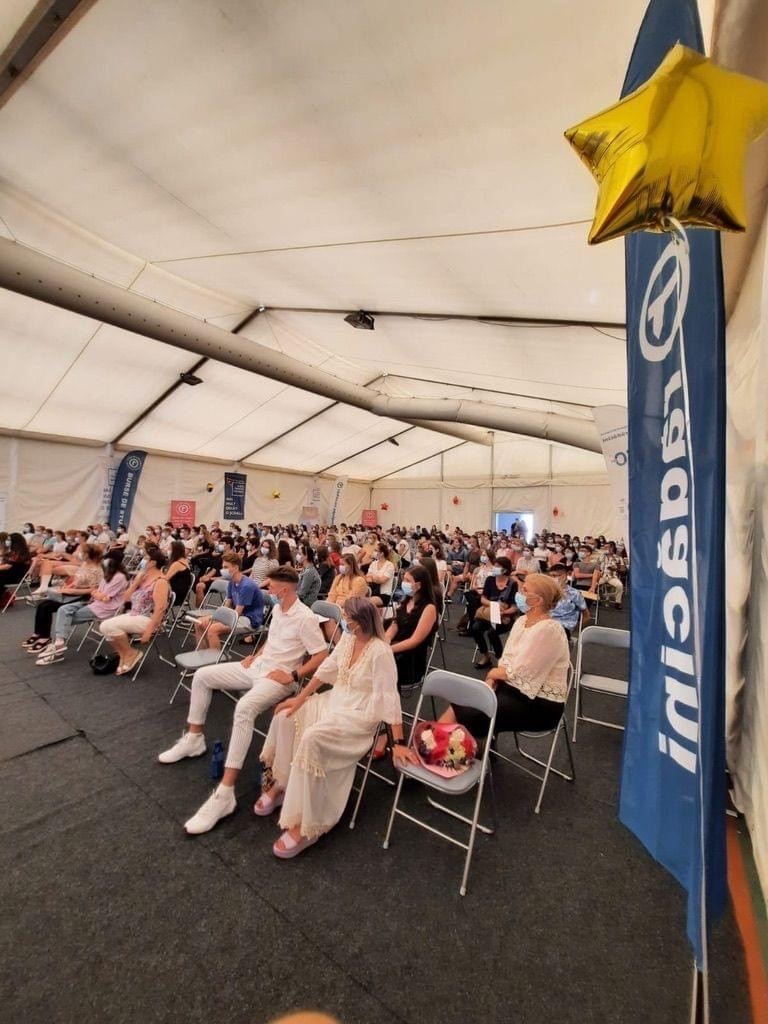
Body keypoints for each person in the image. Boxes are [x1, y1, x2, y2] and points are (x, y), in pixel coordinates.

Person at [158, 566, 328, 836]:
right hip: (258, 667)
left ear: (284, 589)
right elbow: (272, 640)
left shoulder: (305, 617)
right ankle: (194, 738)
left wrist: (293, 675)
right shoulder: (279, 609)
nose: (268, 589)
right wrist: (256, 655)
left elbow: (321, 654)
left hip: (279, 678)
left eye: (272, 586)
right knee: (202, 676)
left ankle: (226, 793)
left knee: (244, 708)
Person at [256, 597, 404, 858]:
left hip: (359, 715)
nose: (342, 621)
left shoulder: (381, 652)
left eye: (346, 617)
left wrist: (399, 744)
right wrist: (299, 699)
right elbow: (325, 670)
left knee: (312, 738)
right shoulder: (347, 639)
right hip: (334, 701)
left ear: (359, 622)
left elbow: (389, 698)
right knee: (286, 717)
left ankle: (309, 823)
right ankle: (282, 783)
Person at [443, 573, 570, 737]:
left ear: (537, 601)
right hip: (513, 689)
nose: (519, 593)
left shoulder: (550, 630)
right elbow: (507, 661)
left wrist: (494, 674)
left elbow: (522, 673)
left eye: (524, 590)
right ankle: (438, 746)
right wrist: (492, 679)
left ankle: (439, 746)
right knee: (463, 701)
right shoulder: (522, 621)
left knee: (468, 711)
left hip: (539, 704)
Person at [33, 555, 129, 665]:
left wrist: (96, 593)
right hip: (93, 602)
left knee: (64, 618)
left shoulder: (119, 577)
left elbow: (105, 598)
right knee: (63, 610)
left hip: (104, 608)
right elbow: (97, 592)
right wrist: (96, 593)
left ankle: (58, 647)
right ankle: (59, 643)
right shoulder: (109, 574)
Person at [99, 546, 171, 675]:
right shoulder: (142, 577)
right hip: (134, 614)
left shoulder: (161, 581)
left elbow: (160, 609)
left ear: (152, 563)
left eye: (145, 558)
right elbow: (126, 598)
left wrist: (149, 631)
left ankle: (131, 653)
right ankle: (124, 654)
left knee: (109, 626)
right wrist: (136, 582)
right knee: (104, 627)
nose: (142, 560)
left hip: (148, 619)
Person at [21, 544, 105, 653]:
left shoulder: (97, 570)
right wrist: (69, 586)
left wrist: (73, 591)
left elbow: (93, 590)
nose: (79, 554)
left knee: (47, 607)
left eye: (82, 552)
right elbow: (78, 580)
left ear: (88, 555)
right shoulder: (85, 564)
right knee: (42, 605)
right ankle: (38, 634)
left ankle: (45, 638)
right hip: (72, 593)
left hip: (83, 597)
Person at [193, 551, 264, 651]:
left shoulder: (246, 586)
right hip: (237, 615)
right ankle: (202, 654)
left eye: (226, 567)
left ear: (236, 567)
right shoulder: (232, 582)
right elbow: (227, 605)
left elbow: (237, 613)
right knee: (199, 623)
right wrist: (214, 618)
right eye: (223, 567)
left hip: (250, 620)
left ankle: (213, 659)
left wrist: (214, 620)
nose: (223, 570)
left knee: (212, 630)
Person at [385, 564, 438, 690]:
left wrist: (388, 649)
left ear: (419, 585)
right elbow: (395, 624)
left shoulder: (429, 608)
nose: (404, 583)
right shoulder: (407, 600)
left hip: (411, 658)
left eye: (408, 581)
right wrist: (386, 639)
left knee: (376, 664)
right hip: (396, 648)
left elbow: (414, 641)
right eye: (404, 579)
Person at [470, 556, 516, 668]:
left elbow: (514, 607)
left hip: (504, 617)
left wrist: (503, 612)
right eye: (495, 565)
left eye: (497, 566)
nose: (494, 568)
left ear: (505, 570)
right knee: (475, 628)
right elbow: (483, 599)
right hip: (489, 614)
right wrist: (493, 605)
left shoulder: (512, 584)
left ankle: (500, 659)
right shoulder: (490, 580)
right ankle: (486, 656)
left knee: (492, 632)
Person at [0, 532, 31, 604]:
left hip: (15, 577)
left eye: (9, 540)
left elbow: (7, 566)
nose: (7, 541)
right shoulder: (18, 552)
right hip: (11, 575)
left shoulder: (18, 553)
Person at [365, 541, 395, 607]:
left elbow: (382, 580)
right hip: (372, 591)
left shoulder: (389, 565)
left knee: (367, 602)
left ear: (382, 553)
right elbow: (367, 579)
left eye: (376, 550)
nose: (374, 552)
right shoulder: (373, 563)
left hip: (384, 594)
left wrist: (372, 576)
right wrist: (376, 578)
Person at [165, 540, 193, 609]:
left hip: (176, 594)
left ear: (175, 551)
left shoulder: (177, 564)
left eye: (169, 549)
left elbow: (165, 579)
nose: (167, 551)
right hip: (179, 592)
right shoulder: (183, 560)